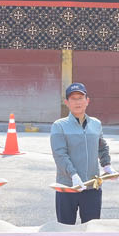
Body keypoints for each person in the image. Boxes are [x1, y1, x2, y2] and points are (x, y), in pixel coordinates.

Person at [48, 82, 112, 225]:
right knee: (65, 229)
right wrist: (73, 175)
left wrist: (107, 165)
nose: (77, 102)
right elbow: (60, 154)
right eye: (73, 99)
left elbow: (102, 146)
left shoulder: (96, 124)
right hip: (68, 187)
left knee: (91, 229)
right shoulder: (59, 125)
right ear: (66, 102)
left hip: (92, 186)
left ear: (87, 101)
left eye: (80, 98)